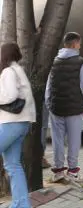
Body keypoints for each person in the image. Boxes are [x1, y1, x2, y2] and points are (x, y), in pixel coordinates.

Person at [45, 31, 83, 182]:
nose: (80, 46)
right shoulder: (80, 62)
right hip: (74, 108)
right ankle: (72, 171)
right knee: (74, 139)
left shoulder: (54, 61)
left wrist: (48, 102)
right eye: (80, 43)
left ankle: (58, 171)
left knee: (57, 139)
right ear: (75, 43)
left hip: (56, 107)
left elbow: (48, 86)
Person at [0, 42, 37, 208]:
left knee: (13, 165)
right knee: (13, 165)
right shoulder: (18, 70)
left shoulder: (8, 71)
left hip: (11, 123)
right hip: (22, 123)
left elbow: (11, 95)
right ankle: (21, 204)